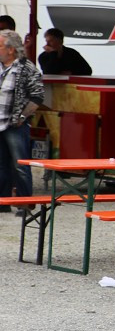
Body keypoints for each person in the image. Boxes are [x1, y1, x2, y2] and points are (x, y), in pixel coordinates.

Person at [0, 29, 44, 211]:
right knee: (1, 166)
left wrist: (23, 116)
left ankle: (25, 204)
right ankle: (3, 203)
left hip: (15, 124)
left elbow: (37, 96)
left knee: (20, 165)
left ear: (10, 49)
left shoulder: (26, 68)